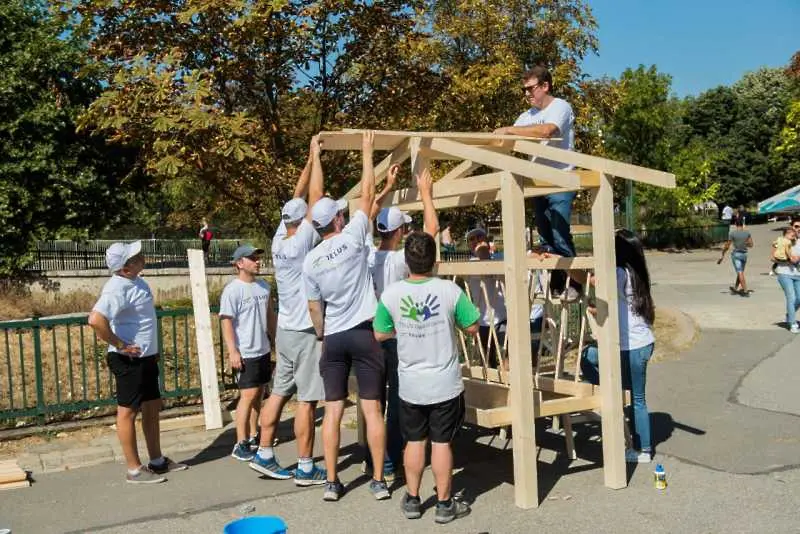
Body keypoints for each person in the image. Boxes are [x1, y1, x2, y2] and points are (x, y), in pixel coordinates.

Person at [302, 131, 389, 502]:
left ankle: (333, 483)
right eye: (340, 212)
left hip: (334, 337)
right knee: (372, 409)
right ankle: (379, 480)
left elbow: (313, 308)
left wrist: (323, 337)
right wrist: (367, 153)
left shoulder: (311, 259)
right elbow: (368, 196)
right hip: (364, 333)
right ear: (338, 220)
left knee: (333, 411)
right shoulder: (354, 237)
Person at [373, 231, 480, 524]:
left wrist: (404, 330)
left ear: (406, 261)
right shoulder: (449, 291)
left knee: (415, 442)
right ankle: (444, 504)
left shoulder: (392, 294)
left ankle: (413, 498)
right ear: (435, 260)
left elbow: (380, 333)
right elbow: (473, 326)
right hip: (445, 382)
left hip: (411, 384)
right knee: (442, 443)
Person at [249, 137, 326, 485]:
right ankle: (306, 466)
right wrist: (318, 159)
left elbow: (299, 197)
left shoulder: (279, 238)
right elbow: (315, 197)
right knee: (308, 401)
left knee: (279, 392)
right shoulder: (301, 241)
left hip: (285, 331)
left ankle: (264, 452)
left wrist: (308, 160)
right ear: (303, 220)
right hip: (305, 331)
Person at [88, 241, 188, 483]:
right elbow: (95, 320)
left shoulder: (137, 281)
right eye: (136, 257)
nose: (142, 256)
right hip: (127, 360)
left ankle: (157, 461)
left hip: (145, 358)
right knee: (128, 413)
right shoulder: (116, 288)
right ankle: (134, 470)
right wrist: (121, 345)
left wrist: (151, 350)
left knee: (152, 407)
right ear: (125, 268)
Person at [368, 168, 440, 479]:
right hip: (396, 336)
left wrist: (386, 187)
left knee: (373, 402)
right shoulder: (400, 260)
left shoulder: (368, 256)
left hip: (372, 334)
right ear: (399, 233)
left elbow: (368, 211)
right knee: (397, 399)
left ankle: (375, 459)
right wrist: (425, 193)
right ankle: (393, 456)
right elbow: (432, 229)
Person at [494, 65, 579, 301]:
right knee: (545, 239)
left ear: (545, 86)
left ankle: (574, 283)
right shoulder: (526, 116)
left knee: (559, 233)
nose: (527, 94)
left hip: (560, 181)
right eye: (524, 90)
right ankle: (556, 284)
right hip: (536, 183)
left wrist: (510, 130)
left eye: (531, 89)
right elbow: (506, 139)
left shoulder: (560, 106)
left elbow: (547, 131)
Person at [580, 229, 656, 464]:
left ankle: (643, 450)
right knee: (633, 394)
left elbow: (590, 281)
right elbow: (622, 305)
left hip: (632, 345)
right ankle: (638, 441)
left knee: (636, 398)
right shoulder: (635, 273)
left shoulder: (619, 273)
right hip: (641, 342)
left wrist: (565, 262)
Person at [220, 244, 277, 461]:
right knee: (247, 395)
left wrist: (276, 341)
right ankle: (240, 442)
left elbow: (270, 316)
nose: (257, 261)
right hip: (245, 352)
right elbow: (226, 322)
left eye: (257, 257)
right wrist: (233, 351)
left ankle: (254, 435)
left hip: (262, 349)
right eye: (252, 258)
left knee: (259, 394)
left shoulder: (263, 286)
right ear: (239, 263)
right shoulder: (232, 290)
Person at [465, 227, 507, 368]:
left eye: (479, 237)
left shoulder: (500, 257)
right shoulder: (471, 262)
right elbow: (487, 269)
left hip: (503, 316)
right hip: (483, 320)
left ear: (488, 240)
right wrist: (482, 250)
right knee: (487, 361)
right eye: (472, 239)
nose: (476, 241)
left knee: (510, 355)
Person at [773, 217, 800, 332]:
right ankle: (793, 324)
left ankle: (789, 315)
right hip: (784, 273)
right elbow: (773, 257)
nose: (798, 229)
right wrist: (789, 260)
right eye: (796, 226)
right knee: (791, 297)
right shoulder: (781, 240)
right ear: (791, 227)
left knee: (799, 298)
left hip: (798, 274)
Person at [717, 219, 753, 296]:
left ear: (736, 225)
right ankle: (736, 288)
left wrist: (722, 254)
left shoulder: (732, 233)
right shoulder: (747, 233)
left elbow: (727, 245)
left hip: (736, 255)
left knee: (740, 272)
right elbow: (751, 245)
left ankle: (745, 290)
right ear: (742, 224)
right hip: (744, 255)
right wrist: (744, 243)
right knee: (740, 272)